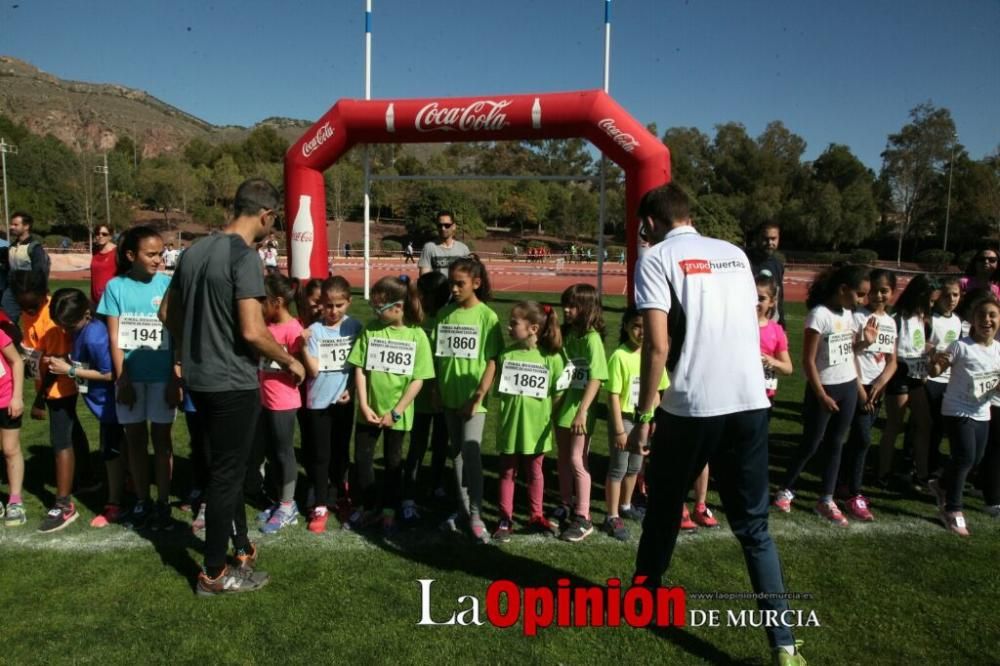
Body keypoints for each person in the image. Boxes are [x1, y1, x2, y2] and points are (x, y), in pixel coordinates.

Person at [629, 183, 806, 665]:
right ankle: (785, 645)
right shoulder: (732, 253)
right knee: (755, 529)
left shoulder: (655, 258)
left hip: (691, 404)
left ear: (649, 223)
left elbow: (658, 345)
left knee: (664, 510)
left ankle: (643, 600)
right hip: (750, 401)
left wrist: (644, 416)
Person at [160, 178, 305, 597]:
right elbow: (253, 331)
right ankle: (214, 573)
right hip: (232, 383)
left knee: (226, 469)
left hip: (201, 380)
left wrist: (192, 348)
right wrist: (289, 359)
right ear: (266, 215)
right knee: (228, 477)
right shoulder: (245, 257)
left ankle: (240, 548)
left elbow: (168, 311)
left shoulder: (193, 251)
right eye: (273, 220)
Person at [773, 264, 871, 525]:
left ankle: (826, 498)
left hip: (848, 385)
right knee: (811, 443)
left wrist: (865, 343)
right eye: (860, 294)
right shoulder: (819, 315)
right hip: (824, 389)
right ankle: (785, 489)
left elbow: (847, 351)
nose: (863, 300)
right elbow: (807, 361)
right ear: (843, 289)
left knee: (836, 443)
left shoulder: (849, 314)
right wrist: (821, 395)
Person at [98, 227, 178, 532]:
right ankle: (143, 499)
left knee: (162, 442)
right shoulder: (115, 288)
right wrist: (122, 380)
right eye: (151, 254)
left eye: (160, 253)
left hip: (161, 378)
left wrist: (175, 377)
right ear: (131, 255)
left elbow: (176, 335)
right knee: (135, 442)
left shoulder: (169, 284)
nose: (159, 259)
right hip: (131, 379)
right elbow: (114, 337)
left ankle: (163, 502)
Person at [346, 275, 433, 534]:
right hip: (368, 411)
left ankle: (389, 510)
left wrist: (397, 411)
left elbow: (419, 379)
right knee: (362, 458)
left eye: (378, 307)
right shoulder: (370, 329)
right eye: (373, 306)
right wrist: (363, 404)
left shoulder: (417, 336)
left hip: (397, 415)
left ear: (399, 307)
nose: (374, 312)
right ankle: (367, 506)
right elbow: (359, 368)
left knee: (394, 462)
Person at [432, 257, 503, 542]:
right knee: (457, 453)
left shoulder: (488, 317)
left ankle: (476, 514)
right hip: (448, 397)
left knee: (471, 455)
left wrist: (477, 396)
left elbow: (492, 361)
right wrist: (436, 389)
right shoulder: (444, 314)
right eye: (451, 282)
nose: (455, 288)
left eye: (460, 283)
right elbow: (438, 357)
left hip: (472, 401)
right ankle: (461, 510)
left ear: (476, 283)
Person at [14, 271, 91, 533]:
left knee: (60, 440)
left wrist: (38, 400)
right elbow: (33, 352)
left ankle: (64, 504)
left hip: (59, 387)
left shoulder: (52, 318)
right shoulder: (29, 314)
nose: (28, 309)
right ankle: (86, 476)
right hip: (46, 383)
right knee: (71, 428)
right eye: (23, 305)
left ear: (43, 295)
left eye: (33, 305)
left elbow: (56, 365)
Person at [49, 288, 124, 528]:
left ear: (86, 315)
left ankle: (115, 503)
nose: (64, 331)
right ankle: (127, 486)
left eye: (68, 327)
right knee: (115, 449)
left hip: (111, 404)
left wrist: (70, 370)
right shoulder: (81, 330)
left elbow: (110, 373)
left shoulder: (95, 335)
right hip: (101, 404)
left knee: (110, 452)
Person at [492, 301, 564, 542]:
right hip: (510, 425)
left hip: (536, 427)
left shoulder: (552, 358)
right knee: (507, 472)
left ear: (533, 328)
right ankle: (505, 518)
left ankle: (536, 514)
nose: (509, 327)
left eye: (514, 323)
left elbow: (558, 393)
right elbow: (501, 392)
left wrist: (545, 414)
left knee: (535, 472)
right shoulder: (505, 355)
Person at [928, 295, 1000, 536]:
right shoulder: (961, 346)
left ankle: (941, 484)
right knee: (966, 456)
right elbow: (939, 367)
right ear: (972, 320)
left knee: (974, 460)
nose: (987, 320)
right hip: (957, 409)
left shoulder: (999, 350)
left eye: (992, 315)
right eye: (982, 315)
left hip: (982, 412)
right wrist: (934, 365)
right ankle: (952, 510)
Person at [300, 276, 362, 533]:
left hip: (343, 402)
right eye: (327, 305)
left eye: (339, 305)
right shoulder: (314, 331)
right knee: (320, 454)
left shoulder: (356, 328)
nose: (333, 311)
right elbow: (313, 370)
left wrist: (350, 390)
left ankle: (341, 496)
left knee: (340, 452)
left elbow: (359, 365)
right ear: (320, 305)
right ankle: (321, 504)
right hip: (317, 403)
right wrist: (303, 346)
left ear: (349, 302)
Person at [602, 305, 668, 541]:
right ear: (626, 327)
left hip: (644, 421)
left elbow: (659, 389)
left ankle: (626, 505)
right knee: (619, 467)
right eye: (636, 326)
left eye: (645, 327)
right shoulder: (619, 356)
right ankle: (611, 515)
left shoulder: (653, 355)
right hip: (626, 420)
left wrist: (655, 418)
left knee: (635, 467)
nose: (641, 332)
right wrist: (619, 429)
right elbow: (612, 395)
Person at [839, 269, 897, 521]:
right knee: (861, 438)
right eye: (874, 290)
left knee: (857, 439)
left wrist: (881, 383)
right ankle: (855, 493)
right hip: (855, 386)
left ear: (892, 293)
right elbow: (848, 352)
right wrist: (861, 390)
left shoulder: (892, 322)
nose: (878, 295)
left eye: (884, 290)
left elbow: (893, 360)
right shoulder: (857, 317)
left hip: (876, 391)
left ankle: (843, 483)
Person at [552, 284, 608, 542]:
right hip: (562, 407)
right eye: (565, 304)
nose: (567, 310)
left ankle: (584, 517)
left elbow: (597, 377)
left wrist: (582, 412)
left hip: (579, 411)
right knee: (563, 458)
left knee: (577, 460)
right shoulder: (569, 334)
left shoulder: (592, 339)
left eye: (573, 306)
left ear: (588, 308)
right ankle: (565, 504)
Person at [253, 274, 305, 534]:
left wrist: (289, 361)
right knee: (273, 452)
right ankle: (279, 501)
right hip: (264, 399)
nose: (258, 305)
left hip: (284, 401)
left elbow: (300, 369)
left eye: (263, 300)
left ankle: (288, 505)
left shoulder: (293, 329)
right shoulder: (265, 326)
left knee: (284, 453)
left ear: (278, 301)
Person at [876, 275, 936, 490]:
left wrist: (928, 354)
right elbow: (891, 350)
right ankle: (883, 472)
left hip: (917, 376)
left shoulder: (925, 320)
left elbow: (922, 345)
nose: (931, 305)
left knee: (925, 423)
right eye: (929, 300)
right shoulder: (898, 318)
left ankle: (921, 473)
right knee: (895, 424)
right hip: (900, 373)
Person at [401, 271, 451, 516]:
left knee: (440, 442)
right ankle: (410, 482)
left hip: (441, 392)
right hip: (420, 393)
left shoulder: (447, 318)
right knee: (418, 442)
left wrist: (439, 389)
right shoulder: (416, 317)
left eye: (424, 292)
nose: (419, 296)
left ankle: (437, 481)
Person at [925, 278, 963, 474]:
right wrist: (930, 352)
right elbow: (920, 345)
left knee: (939, 426)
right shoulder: (930, 319)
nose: (951, 299)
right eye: (947, 294)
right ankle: (913, 462)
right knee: (923, 424)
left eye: (955, 294)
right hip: (929, 379)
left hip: (948, 380)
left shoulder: (957, 321)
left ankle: (931, 463)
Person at [1, 211, 51, 326]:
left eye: (15, 225)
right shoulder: (12, 247)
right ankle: (12, 342)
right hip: (12, 292)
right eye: (11, 224)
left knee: (33, 323)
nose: (11, 227)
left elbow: (41, 271)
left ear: (26, 226)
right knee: (6, 322)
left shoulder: (34, 247)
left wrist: (41, 292)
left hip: (29, 293)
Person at [0, 303, 25, 527]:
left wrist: (17, 396)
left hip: (6, 398)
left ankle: (15, 500)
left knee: (9, 449)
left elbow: (17, 361)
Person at [748, 222, 786, 328]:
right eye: (766, 239)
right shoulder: (744, 260)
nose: (770, 242)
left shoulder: (778, 265)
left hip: (771, 326)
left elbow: (779, 298)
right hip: (749, 325)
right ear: (757, 238)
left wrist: (782, 326)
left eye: (773, 239)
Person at [418, 211, 471, 277]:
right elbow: (424, 277)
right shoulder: (429, 248)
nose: (443, 228)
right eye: (440, 225)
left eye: (447, 225)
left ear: (454, 226)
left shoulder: (463, 249)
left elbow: (469, 275)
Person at [90, 223, 118, 306]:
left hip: (111, 301)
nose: (100, 236)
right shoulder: (95, 251)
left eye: (104, 234)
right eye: (98, 234)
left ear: (110, 236)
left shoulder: (117, 252)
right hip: (95, 301)